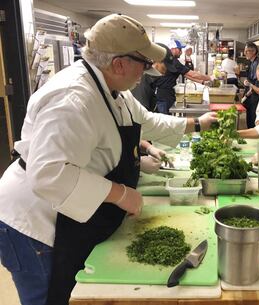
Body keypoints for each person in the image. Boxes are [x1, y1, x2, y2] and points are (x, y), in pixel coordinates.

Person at [0, 14, 217, 305]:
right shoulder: (72, 98)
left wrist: (198, 124)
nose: (147, 69)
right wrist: (120, 194)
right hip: (35, 222)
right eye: (144, 62)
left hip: (66, 214)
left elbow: (146, 121)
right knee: (51, 297)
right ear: (119, 63)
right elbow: (49, 174)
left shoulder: (113, 90)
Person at [155, 39, 211, 114]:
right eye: (179, 49)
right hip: (164, 97)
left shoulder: (171, 61)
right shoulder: (173, 62)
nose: (181, 52)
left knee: (168, 119)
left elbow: (186, 74)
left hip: (167, 95)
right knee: (164, 120)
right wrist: (210, 78)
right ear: (173, 49)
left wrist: (202, 82)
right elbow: (192, 74)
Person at [131, 43, 176, 112]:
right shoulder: (142, 80)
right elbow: (141, 115)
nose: (166, 70)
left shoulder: (151, 80)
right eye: (165, 66)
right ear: (156, 61)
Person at [242, 42, 259, 128]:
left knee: (252, 120)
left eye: (247, 51)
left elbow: (256, 83)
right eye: (245, 51)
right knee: (250, 119)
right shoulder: (252, 62)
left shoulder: (256, 64)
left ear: (254, 52)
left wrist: (249, 85)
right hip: (252, 94)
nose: (245, 53)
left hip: (255, 97)